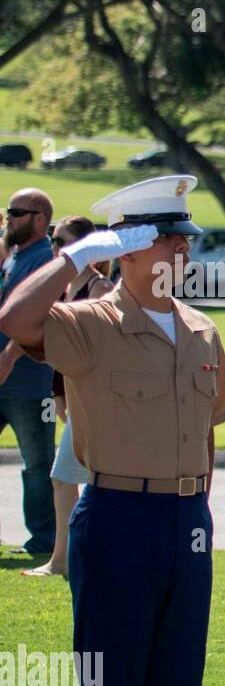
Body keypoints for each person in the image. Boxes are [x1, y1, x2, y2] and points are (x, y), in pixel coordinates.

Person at [0, 176, 225, 686]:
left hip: (184, 522)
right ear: (131, 247)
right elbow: (14, 317)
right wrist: (80, 255)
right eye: (167, 237)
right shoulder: (89, 321)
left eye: (184, 237)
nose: (182, 249)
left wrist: (197, 511)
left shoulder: (201, 329)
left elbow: (207, 432)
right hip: (116, 520)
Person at [22, 217, 114, 578]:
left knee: (73, 479)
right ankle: (65, 559)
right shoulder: (63, 288)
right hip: (73, 399)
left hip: (93, 401)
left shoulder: (99, 286)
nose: (55, 247)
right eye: (52, 240)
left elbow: (102, 349)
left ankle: (66, 560)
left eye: (61, 240)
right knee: (70, 479)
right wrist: (60, 396)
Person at [0, 188, 56, 555]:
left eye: (17, 212)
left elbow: (42, 315)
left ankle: (44, 540)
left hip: (30, 383)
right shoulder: (15, 257)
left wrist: (8, 356)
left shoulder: (45, 260)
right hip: (4, 381)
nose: (9, 218)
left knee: (37, 465)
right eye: (8, 211)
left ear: (39, 219)